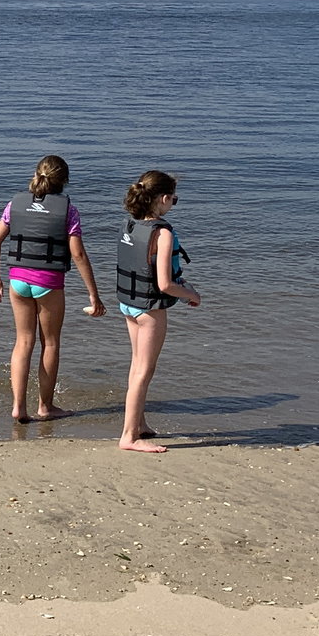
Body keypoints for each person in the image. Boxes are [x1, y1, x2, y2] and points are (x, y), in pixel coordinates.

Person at [0, 155, 105, 423]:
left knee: (23, 342)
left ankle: (18, 407)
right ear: (65, 181)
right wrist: (93, 294)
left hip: (17, 281)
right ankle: (45, 407)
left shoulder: (13, 205)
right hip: (48, 283)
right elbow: (78, 255)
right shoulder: (69, 211)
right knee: (49, 343)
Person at [114, 169, 200, 453]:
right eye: (174, 200)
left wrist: (181, 281)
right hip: (149, 308)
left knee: (136, 365)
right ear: (163, 199)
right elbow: (164, 283)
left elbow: (147, 267)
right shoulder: (162, 232)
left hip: (129, 303)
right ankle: (129, 436)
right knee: (144, 371)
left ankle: (138, 423)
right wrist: (191, 294)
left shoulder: (131, 225)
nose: (173, 205)